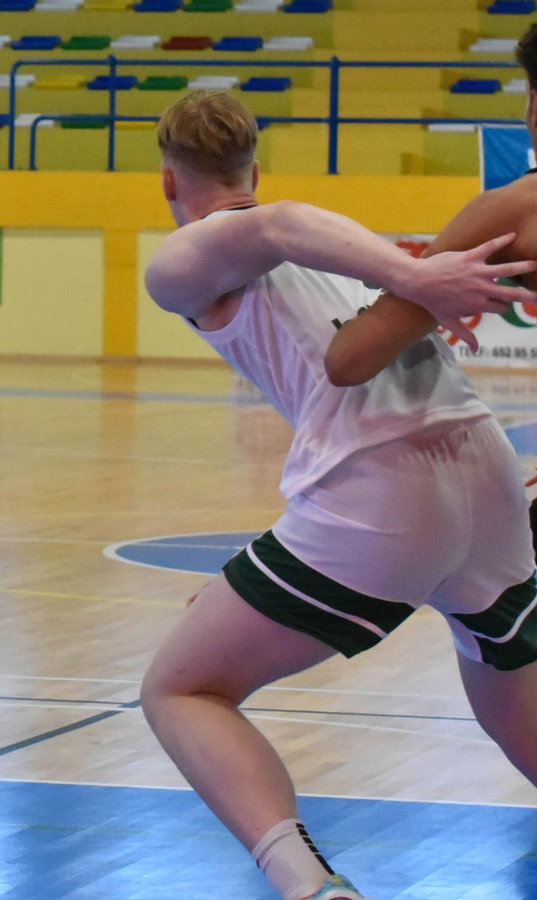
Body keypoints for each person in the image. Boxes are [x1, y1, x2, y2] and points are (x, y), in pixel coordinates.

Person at [138, 90, 537, 900]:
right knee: (514, 696)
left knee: (180, 688)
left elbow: (273, 224)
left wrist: (417, 274)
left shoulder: (190, 257)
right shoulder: (336, 247)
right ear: (254, 163)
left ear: (169, 184)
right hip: (484, 467)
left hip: (382, 491)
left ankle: (312, 889)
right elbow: (285, 234)